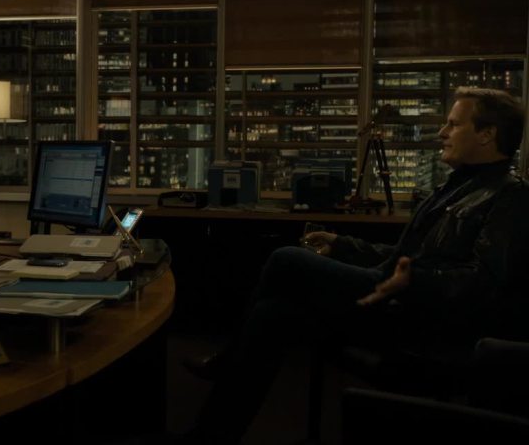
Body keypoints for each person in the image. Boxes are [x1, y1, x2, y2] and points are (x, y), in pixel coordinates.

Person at [182, 87, 529, 444]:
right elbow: (400, 255)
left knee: (285, 259)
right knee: (273, 313)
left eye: (453, 124)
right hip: (393, 301)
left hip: (421, 320)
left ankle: (227, 360)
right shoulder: (454, 187)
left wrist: (410, 281)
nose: (442, 132)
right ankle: (210, 436)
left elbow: (481, 284)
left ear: (487, 134)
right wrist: (341, 244)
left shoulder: (510, 196)